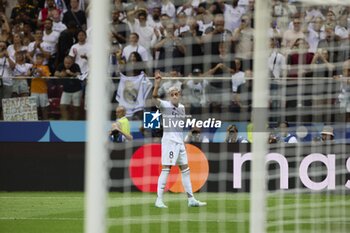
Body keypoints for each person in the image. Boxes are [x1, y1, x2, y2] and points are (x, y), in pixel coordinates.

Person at [152, 71, 206, 208]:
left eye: (177, 94)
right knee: (166, 169)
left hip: (180, 142)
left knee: (185, 169)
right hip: (169, 141)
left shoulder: (182, 108)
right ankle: (159, 199)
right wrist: (157, 84)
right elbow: (154, 97)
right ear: (169, 96)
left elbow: (181, 122)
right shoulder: (165, 105)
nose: (175, 96)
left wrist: (192, 125)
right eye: (172, 94)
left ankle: (191, 199)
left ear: (180, 95)